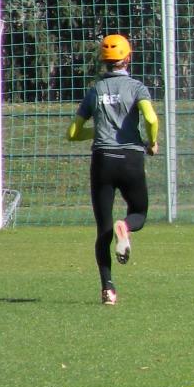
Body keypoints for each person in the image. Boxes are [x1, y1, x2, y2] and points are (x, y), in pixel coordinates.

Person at [67, 34, 160, 305]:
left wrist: (98, 132)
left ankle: (108, 289)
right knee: (139, 213)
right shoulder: (136, 87)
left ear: (103, 61)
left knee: (102, 230)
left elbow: (72, 133)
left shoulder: (94, 91)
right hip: (131, 158)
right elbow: (151, 118)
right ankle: (126, 226)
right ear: (127, 57)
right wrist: (151, 142)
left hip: (102, 160)